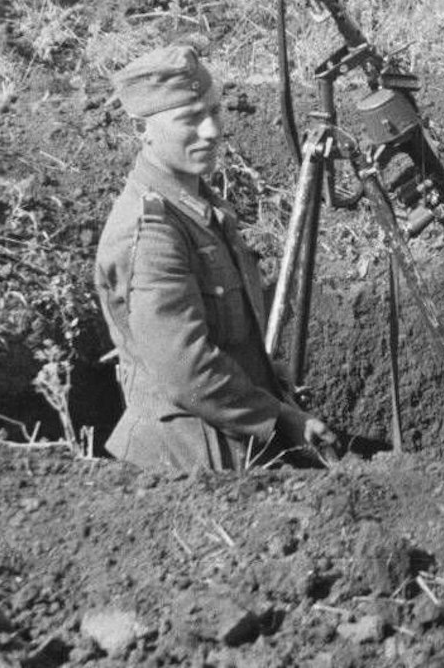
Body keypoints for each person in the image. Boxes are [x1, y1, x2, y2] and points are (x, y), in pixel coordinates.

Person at [94, 44, 338, 470]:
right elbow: (186, 370)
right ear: (142, 129)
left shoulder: (197, 208)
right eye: (189, 119)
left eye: (214, 111)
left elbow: (232, 342)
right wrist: (278, 419)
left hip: (232, 444)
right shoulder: (151, 232)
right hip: (188, 466)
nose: (210, 131)